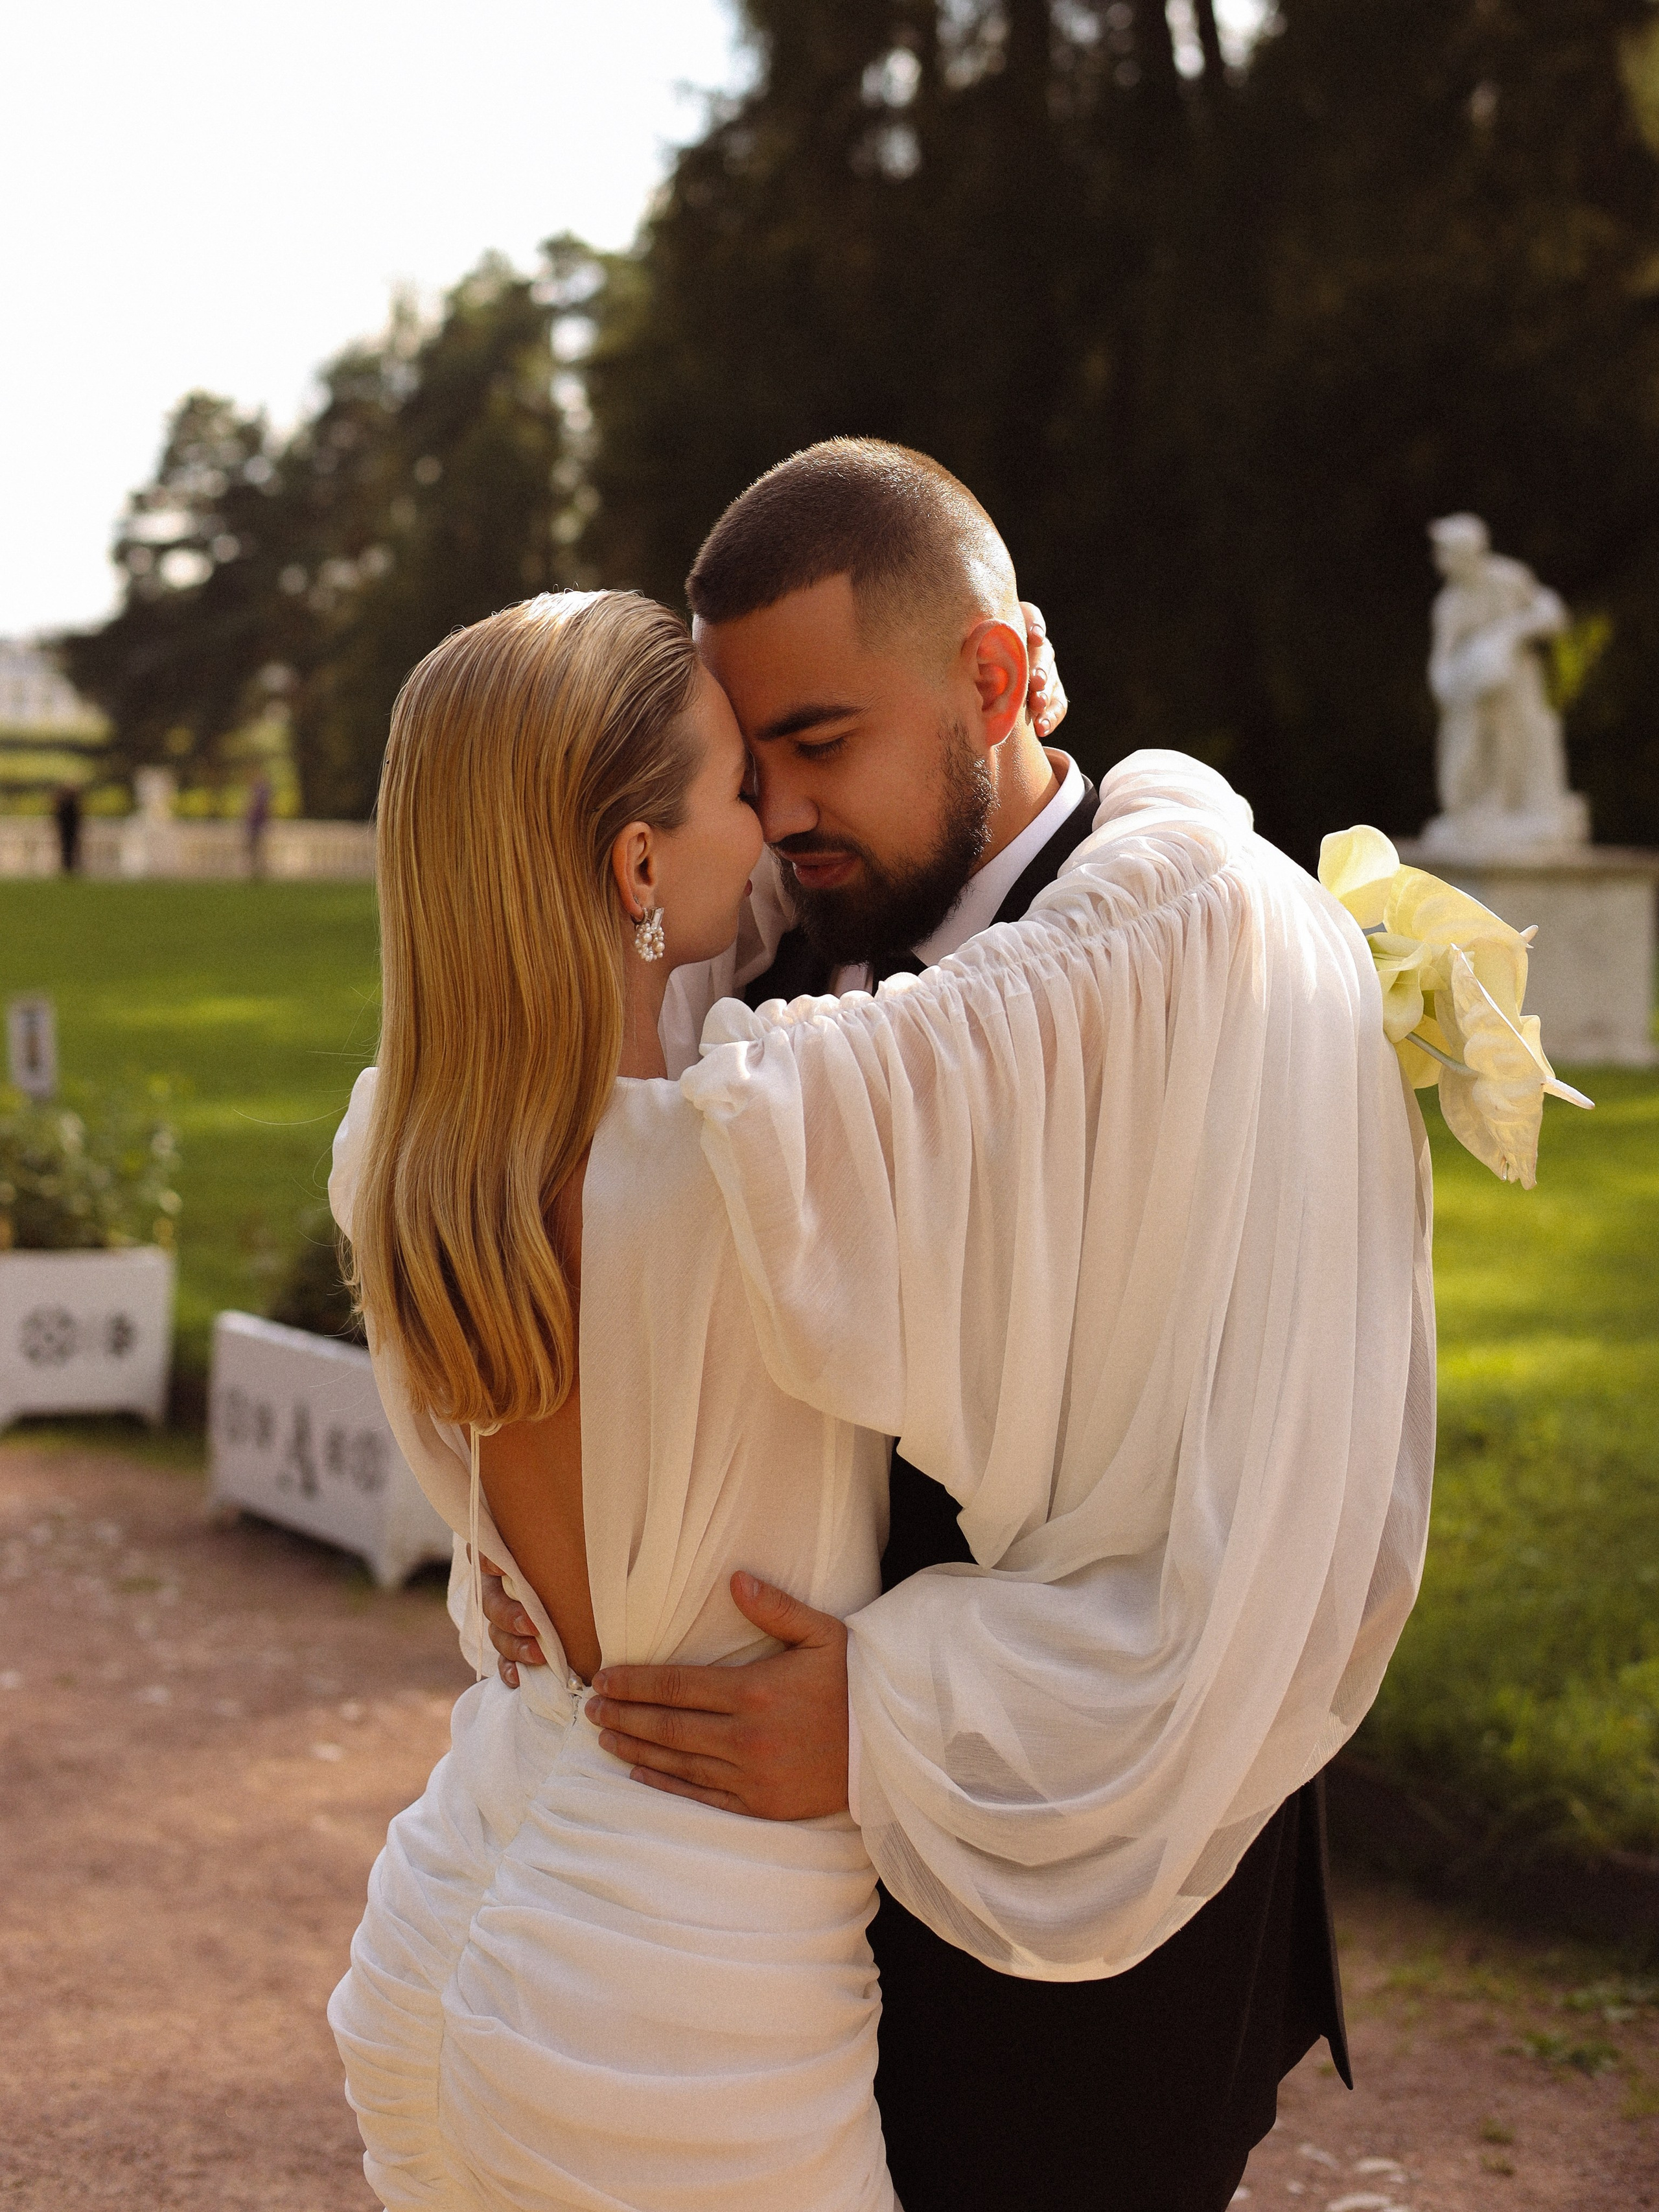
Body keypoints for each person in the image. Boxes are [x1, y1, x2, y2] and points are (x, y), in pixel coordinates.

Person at [476, 442, 1433, 2210]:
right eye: (745, 759)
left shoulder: (1216, 978)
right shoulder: (736, 966)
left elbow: (1282, 1505)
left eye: (820, 743)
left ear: (996, 679)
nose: (770, 809)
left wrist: (901, 1716)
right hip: (768, 1935)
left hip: (1098, 1916)